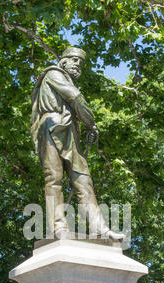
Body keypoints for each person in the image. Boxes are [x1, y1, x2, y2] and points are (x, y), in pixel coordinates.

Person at [30, 46, 125, 241]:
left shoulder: (63, 78)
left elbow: (73, 107)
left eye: (80, 62)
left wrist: (88, 130)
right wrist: (91, 122)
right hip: (50, 127)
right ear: (63, 61)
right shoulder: (54, 73)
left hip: (69, 131)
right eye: (74, 60)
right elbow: (75, 97)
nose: (77, 65)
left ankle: (100, 229)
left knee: (83, 180)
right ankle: (58, 227)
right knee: (54, 178)